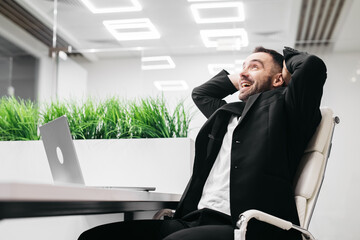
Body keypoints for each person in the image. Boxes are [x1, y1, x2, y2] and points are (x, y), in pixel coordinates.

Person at [78, 46, 327, 240]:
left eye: (255, 66)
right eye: (242, 66)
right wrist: (244, 76)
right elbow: (201, 93)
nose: (243, 72)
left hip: (246, 227)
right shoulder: (229, 113)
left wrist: (284, 63)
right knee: (95, 236)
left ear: (278, 79)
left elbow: (312, 67)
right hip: (195, 219)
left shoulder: (288, 112)